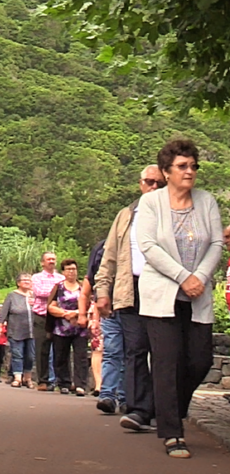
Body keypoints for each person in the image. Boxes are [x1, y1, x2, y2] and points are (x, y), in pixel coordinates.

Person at [137, 139, 223, 459]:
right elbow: (148, 245)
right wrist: (182, 277)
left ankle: (170, 406)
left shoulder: (206, 201)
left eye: (193, 166)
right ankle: (173, 432)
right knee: (166, 361)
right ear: (166, 171)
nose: (189, 172)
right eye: (182, 166)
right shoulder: (151, 204)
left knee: (199, 359)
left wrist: (197, 278)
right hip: (162, 294)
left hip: (197, 295)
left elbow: (216, 243)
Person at [93, 165, 165, 421]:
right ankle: (138, 409)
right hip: (130, 290)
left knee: (162, 351)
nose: (154, 187)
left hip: (162, 290)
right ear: (140, 183)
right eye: (149, 182)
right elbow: (109, 257)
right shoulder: (126, 216)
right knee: (134, 350)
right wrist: (103, 292)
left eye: (159, 183)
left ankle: (161, 407)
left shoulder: (172, 213)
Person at [47, 259, 89, 396]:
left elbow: (91, 304)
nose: (71, 272)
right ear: (63, 272)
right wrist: (65, 314)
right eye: (68, 269)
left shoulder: (83, 287)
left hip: (80, 327)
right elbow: (50, 307)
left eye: (74, 269)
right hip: (61, 328)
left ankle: (80, 385)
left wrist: (76, 313)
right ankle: (64, 383)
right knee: (61, 356)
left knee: (81, 356)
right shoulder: (58, 287)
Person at [31, 252, 63, 391]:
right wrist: (58, 291)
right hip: (41, 316)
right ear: (42, 263)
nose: (51, 261)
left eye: (53, 259)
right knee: (42, 349)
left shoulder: (61, 278)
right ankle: (43, 381)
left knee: (60, 349)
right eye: (48, 259)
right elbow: (40, 292)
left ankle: (61, 381)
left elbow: (68, 293)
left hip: (58, 316)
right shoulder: (36, 277)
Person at [0, 273, 35, 388]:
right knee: (17, 354)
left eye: (29, 280)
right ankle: (17, 378)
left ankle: (28, 378)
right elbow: (4, 312)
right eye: (24, 280)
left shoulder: (34, 295)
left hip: (32, 331)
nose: (27, 282)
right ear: (18, 283)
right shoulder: (12, 295)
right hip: (16, 330)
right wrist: (0, 325)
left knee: (30, 356)